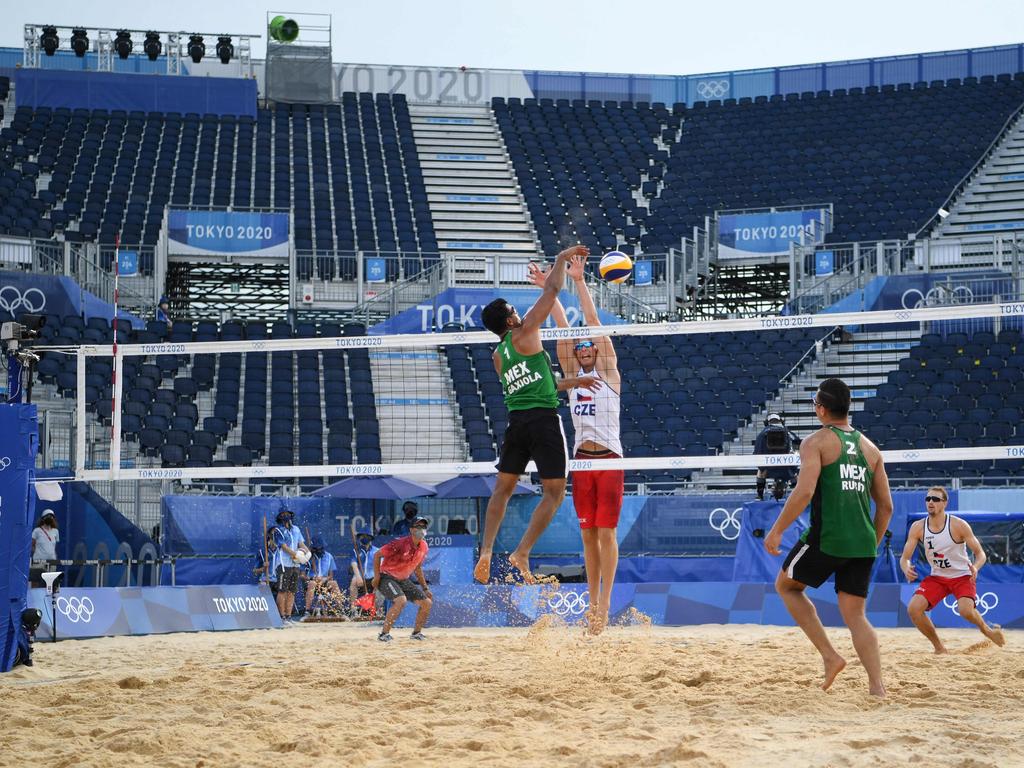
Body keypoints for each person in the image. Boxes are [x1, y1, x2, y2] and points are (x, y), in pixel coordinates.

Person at [475, 244, 601, 584]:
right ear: (510, 319)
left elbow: (538, 386)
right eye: (514, 311)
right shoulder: (525, 330)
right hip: (544, 422)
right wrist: (560, 260)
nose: (518, 313)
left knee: (502, 489)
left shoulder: (497, 356)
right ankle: (522, 551)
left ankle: (486, 551)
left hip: (517, 424)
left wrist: (576, 381)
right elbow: (554, 290)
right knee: (555, 493)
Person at [764, 377, 893, 697]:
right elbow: (886, 507)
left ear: (821, 409)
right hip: (863, 542)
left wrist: (777, 529)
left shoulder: (815, 442)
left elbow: (804, 491)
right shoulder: (871, 449)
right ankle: (877, 687)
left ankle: (830, 656)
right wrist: (869, 546)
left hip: (828, 536)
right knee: (856, 616)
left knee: (786, 586)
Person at [529, 254, 623, 634]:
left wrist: (580, 282)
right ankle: (592, 607)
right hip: (582, 461)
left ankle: (606, 606)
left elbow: (593, 325)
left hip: (611, 460)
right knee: (588, 535)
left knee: (606, 534)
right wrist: (549, 291)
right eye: (579, 347)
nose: (584, 349)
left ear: (596, 351)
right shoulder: (571, 374)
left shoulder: (609, 374)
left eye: (589, 346)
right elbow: (564, 332)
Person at [900, 486, 1005, 653]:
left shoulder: (958, 525)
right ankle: (939, 647)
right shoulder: (918, 527)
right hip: (937, 577)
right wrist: (906, 568)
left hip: (962, 576)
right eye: (928, 499)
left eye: (935, 499)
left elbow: (980, 554)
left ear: (945, 503)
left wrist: (976, 568)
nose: (930, 502)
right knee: (913, 609)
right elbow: (905, 557)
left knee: (965, 611)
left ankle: (986, 629)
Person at [373, 517, 432, 641]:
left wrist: (425, 588)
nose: (421, 529)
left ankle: (416, 633)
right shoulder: (399, 543)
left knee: (427, 603)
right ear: (411, 530)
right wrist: (377, 577)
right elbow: (377, 555)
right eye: (418, 526)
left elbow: (418, 568)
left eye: (423, 527)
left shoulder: (424, 546)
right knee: (401, 600)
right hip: (386, 577)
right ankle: (384, 634)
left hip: (403, 579)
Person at [272, 509, 310, 621]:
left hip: (295, 565)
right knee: (282, 590)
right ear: (279, 517)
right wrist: (296, 555)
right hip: (284, 564)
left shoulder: (296, 529)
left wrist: (308, 553)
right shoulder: (278, 530)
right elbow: (283, 546)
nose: (286, 516)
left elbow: (301, 543)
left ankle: (288, 616)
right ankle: (282, 616)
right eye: (283, 514)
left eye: (287, 514)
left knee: (291, 591)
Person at [754, 413, 801, 501]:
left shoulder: (762, 434)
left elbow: (757, 453)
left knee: (760, 471)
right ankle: (799, 496)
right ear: (781, 422)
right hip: (787, 467)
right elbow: (798, 448)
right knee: (795, 474)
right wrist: (793, 468)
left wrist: (762, 467)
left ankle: (759, 496)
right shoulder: (789, 433)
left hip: (768, 467)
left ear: (766, 422)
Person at [303, 537, 343, 617]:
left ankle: (341, 610)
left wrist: (324, 579)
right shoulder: (308, 558)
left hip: (325, 582)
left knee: (333, 583)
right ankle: (307, 611)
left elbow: (331, 576)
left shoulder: (329, 556)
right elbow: (302, 575)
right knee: (312, 583)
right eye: (317, 548)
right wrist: (312, 578)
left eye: (321, 548)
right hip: (312, 582)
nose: (320, 550)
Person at [349, 532, 378, 615]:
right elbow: (354, 564)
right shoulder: (355, 551)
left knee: (380, 584)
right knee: (353, 582)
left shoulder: (377, 551)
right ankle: (353, 609)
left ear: (370, 538)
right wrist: (358, 576)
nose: (364, 538)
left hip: (373, 577)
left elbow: (380, 567)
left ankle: (376, 609)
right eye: (362, 536)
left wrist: (377, 578)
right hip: (361, 577)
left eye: (366, 536)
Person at [30, 510, 60, 588]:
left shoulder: (55, 531)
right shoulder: (37, 531)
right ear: (43, 519)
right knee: (35, 581)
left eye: (52, 516)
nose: (50, 518)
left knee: (50, 583)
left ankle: (49, 598)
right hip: (39, 561)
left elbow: (54, 547)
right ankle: (34, 597)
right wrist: (38, 553)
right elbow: (31, 545)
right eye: (48, 516)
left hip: (51, 562)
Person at [254, 525, 280, 601]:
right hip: (266, 580)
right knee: (263, 587)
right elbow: (255, 571)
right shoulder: (262, 551)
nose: (276, 536)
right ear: (269, 535)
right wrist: (264, 568)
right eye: (273, 534)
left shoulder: (281, 551)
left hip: (278, 581)